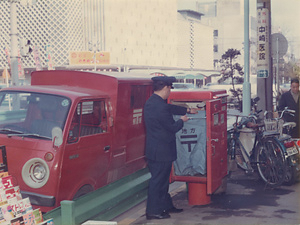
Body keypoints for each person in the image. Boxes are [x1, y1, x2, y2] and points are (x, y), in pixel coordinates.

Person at [144, 76, 197, 220]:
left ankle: (166, 206)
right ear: (166, 88)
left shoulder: (152, 102)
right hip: (161, 151)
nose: (170, 92)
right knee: (158, 182)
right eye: (170, 89)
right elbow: (172, 127)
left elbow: (169, 107)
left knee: (162, 181)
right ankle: (153, 211)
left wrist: (186, 110)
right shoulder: (159, 106)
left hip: (156, 149)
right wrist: (182, 120)